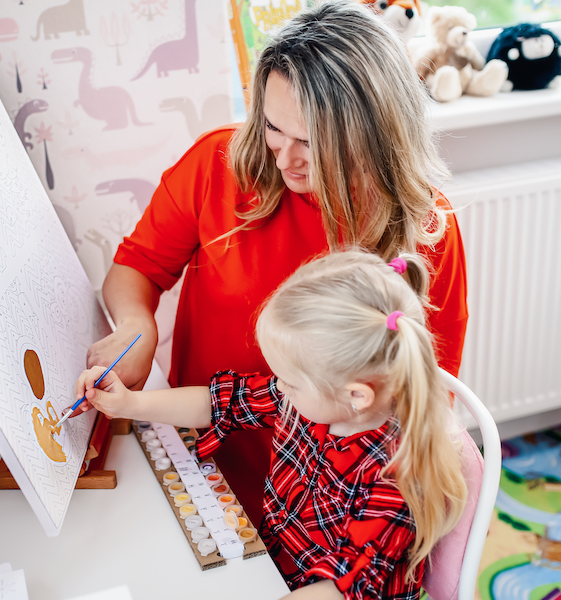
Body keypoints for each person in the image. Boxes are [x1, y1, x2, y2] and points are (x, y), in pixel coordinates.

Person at [86, 0, 468, 524]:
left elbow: (429, 389)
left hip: (332, 501)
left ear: (376, 135)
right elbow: (138, 266)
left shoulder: (426, 226)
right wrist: (138, 327)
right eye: (272, 127)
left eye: (311, 143)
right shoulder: (217, 165)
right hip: (203, 456)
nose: (283, 158)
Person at [76, 250, 468, 599]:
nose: (279, 387)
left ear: (357, 396)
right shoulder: (311, 402)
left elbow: (342, 588)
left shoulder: (395, 483)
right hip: (278, 570)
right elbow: (220, 403)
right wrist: (130, 402)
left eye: (292, 381)